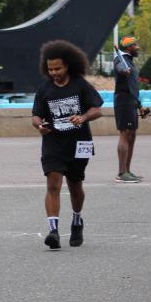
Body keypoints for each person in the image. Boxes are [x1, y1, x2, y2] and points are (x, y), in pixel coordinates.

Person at [32, 40, 103, 249]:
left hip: (79, 142)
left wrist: (82, 117)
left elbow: (97, 110)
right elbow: (36, 116)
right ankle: (53, 231)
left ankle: (77, 220)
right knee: (53, 185)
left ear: (68, 66)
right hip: (53, 143)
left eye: (58, 68)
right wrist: (39, 125)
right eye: (50, 69)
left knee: (75, 185)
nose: (54, 73)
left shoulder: (80, 85)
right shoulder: (44, 89)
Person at [112, 36, 149, 182]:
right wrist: (124, 71)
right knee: (125, 133)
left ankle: (127, 170)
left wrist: (139, 106)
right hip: (123, 102)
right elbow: (120, 69)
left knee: (131, 135)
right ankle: (121, 174)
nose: (138, 47)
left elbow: (133, 87)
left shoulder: (129, 61)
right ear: (129, 47)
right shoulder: (120, 60)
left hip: (131, 102)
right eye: (135, 45)